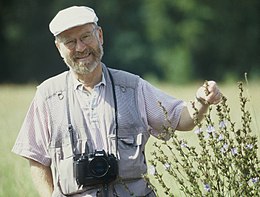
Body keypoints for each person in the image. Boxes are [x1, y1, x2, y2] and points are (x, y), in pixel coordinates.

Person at [12, 6, 222, 197]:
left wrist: (201, 101)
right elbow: (36, 159)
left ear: (100, 36)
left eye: (86, 36)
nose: (80, 47)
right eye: (70, 42)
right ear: (59, 48)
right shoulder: (47, 96)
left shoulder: (133, 87)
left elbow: (179, 118)